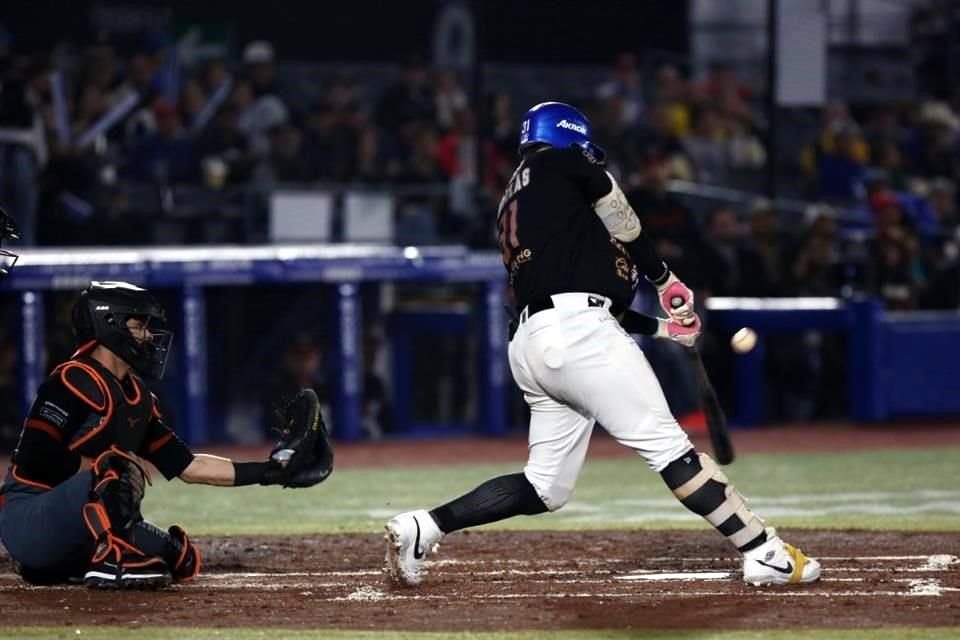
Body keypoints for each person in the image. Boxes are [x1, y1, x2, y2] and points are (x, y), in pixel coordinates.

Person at [384, 102, 821, 588]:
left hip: (535, 345)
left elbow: (597, 300)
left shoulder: (524, 201)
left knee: (545, 487)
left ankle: (426, 525)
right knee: (672, 451)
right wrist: (663, 277)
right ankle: (765, 552)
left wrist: (662, 329)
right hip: (576, 333)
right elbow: (617, 215)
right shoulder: (556, 161)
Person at [0, 281, 332, 589]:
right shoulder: (74, 378)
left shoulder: (137, 397)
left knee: (180, 559)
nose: (147, 336)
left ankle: (56, 566)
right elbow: (35, 458)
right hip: (27, 518)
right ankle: (107, 561)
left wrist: (272, 471)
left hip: (72, 525)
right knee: (114, 465)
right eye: (139, 325)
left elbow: (189, 466)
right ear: (109, 325)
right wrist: (104, 465)